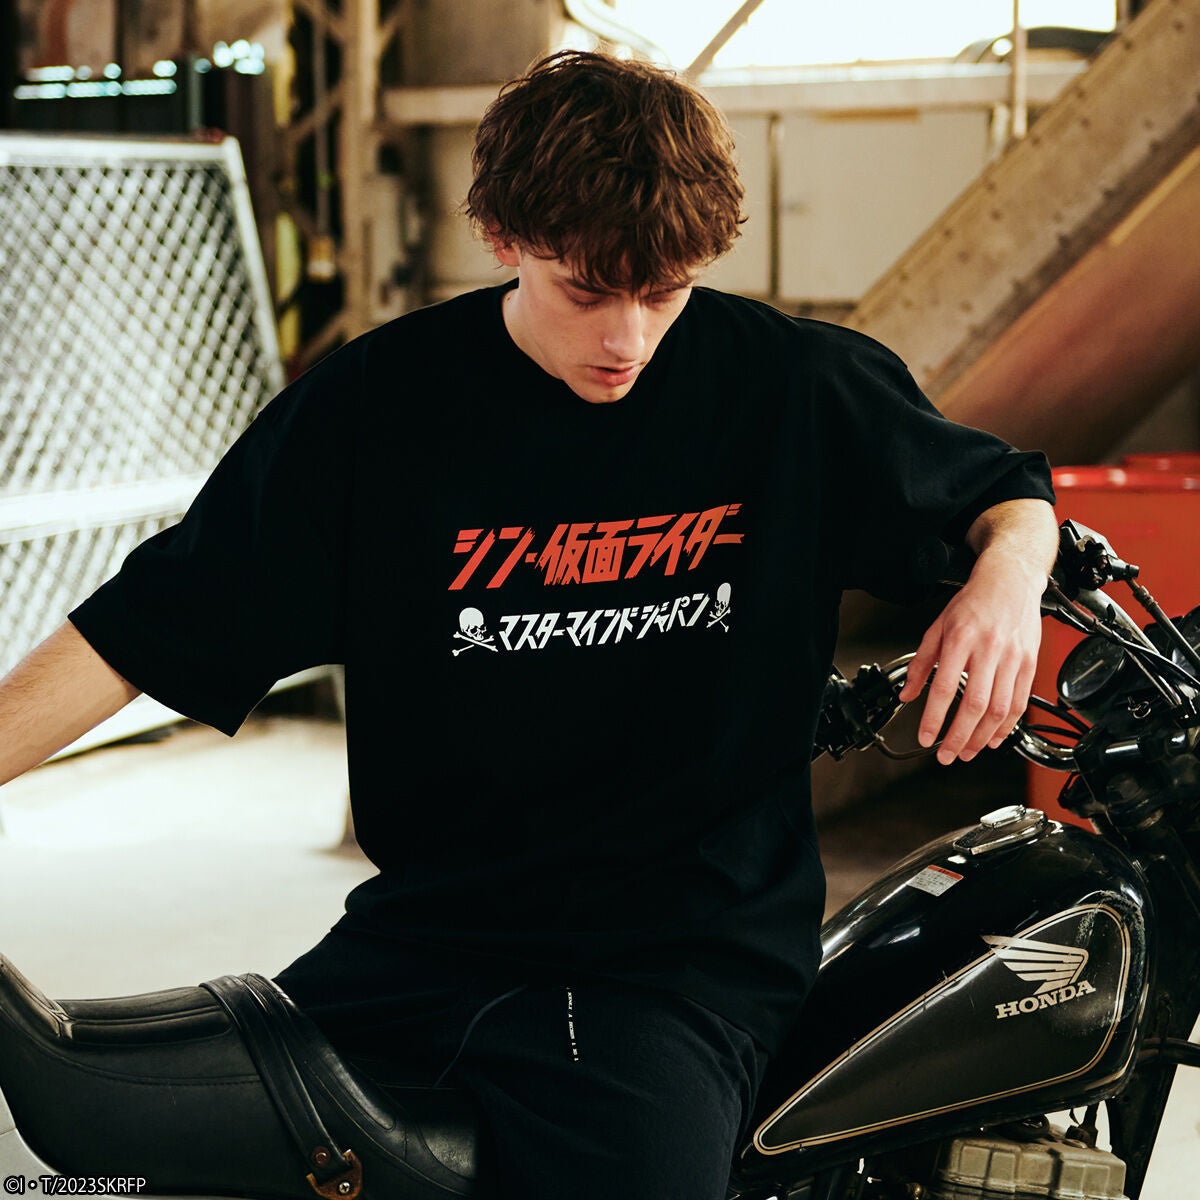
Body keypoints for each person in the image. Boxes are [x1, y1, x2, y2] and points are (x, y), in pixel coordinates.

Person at [0, 49, 1057, 1200]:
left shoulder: (794, 387)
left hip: (673, 962)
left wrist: (1005, 582)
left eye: (664, 293)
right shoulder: (377, 410)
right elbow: (143, 629)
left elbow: (1001, 492)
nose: (628, 341)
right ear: (503, 237)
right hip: (423, 938)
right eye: (586, 292)